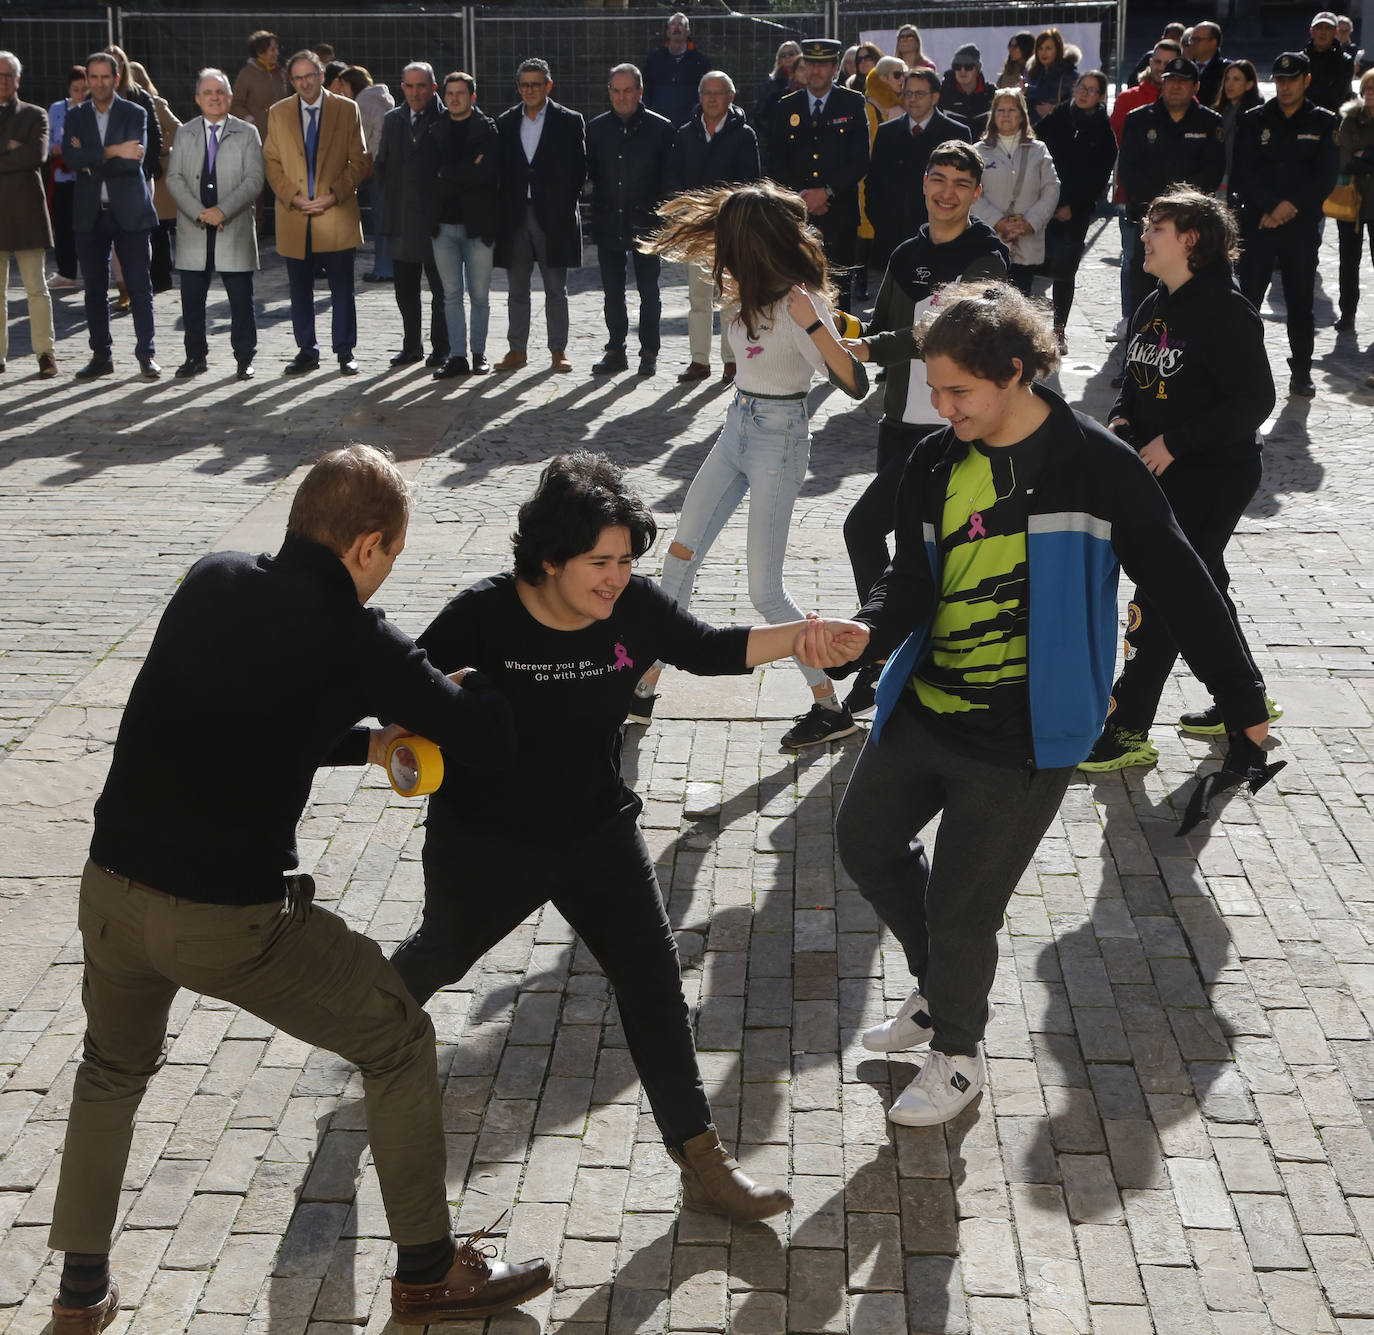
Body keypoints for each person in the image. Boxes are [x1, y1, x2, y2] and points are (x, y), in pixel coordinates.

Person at [43, 443, 554, 1334]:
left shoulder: (212, 578)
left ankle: (80, 1291)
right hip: (229, 920)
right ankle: (430, 1272)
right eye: (392, 553)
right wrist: (482, 680)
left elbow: (246, 709)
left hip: (112, 891)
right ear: (365, 545)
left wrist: (368, 744)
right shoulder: (356, 635)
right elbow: (489, 741)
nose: (389, 570)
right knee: (396, 1038)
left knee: (110, 1070)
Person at [832, 282, 1271, 1127]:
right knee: (864, 840)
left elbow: (1182, 578)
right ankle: (941, 987)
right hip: (925, 706)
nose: (941, 406)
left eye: (959, 391)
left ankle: (957, 1055)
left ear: (1018, 373)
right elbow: (912, 580)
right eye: (934, 388)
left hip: (1028, 731)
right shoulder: (933, 461)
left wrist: (1242, 697)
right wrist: (864, 630)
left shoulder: (1097, 464)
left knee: (965, 905)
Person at [391, 452, 867, 1221]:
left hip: (595, 831)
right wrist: (433, 717)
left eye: (624, 560)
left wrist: (805, 638)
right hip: (489, 840)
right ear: (549, 559)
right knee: (437, 955)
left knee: (652, 983)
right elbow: (401, 695)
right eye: (597, 562)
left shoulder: (636, 609)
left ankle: (703, 1164)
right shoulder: (482, 614)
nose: (615, 578)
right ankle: (361, 1021)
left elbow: (711, 648)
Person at [626, 182, 869, 748]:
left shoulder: (800, 302)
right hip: (736, 425)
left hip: (780, 439)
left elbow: (854, 384)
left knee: (766, 593)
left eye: (732, 239)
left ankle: (829, 707)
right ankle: (640, 691)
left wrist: (819, 325)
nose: (723, 253)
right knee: (678, 560)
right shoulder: (753, 292)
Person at [1080, 190, 1281, 768]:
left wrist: (1175, 442)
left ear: (1191, 239)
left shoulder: (1224, 308)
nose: (1144, 235)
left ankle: (1127, 725)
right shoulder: (1153, 305)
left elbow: (1255, 400)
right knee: (1203, 584)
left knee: (1166, 592)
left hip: (1216, 475)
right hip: (1159, 475)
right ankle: (1243, 698)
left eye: (1156, 227)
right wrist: (1122, 423)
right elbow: (1132, 384)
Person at [839, 141, 1009, 712]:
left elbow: (943, 335)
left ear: (977, 193)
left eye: (961, 184)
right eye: (939, 179)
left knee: (922, 549)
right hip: (900, 426)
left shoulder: (988, 256)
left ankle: (894, 658)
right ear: (924, 183)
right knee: (870, 533)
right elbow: (882, 325)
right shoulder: (906, 252)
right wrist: (836, 328)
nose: (947, 192)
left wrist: (870, 344)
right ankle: (889, 652)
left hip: (953, 431)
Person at [1232, 51, 1340, 396]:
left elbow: (1324, 176)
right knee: (1247, 301)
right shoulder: (1254, 119)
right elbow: (1243, 173)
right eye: (1279, 80)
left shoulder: (1323, 121)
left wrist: (1289, 207)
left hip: (1299, 226)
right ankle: (1241, 367)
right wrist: (1270, 207)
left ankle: (1302, 370)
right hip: (1259, 224)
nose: (1285, 86)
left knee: (1299, 303)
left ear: (1306, 81)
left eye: (1292, 80)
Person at [263, 49, 370, 376]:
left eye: (310, 76)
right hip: (295, 214)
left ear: (321, 76)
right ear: (290, 81)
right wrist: (293, 197)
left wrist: (332, 195)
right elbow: (271, 162)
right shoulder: (278, 112)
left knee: (342, 289)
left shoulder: (346, 109)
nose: (305, 83)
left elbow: (360, 160)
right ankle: (306, 350)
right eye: (297, 78)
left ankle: (344, 352)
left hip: (335, 212)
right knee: (299, 290)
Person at [63, 50, 159, 381]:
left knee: (139, 285)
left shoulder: (134, 112)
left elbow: (132, 162)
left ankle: (146, 354)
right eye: (94, 77)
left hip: (129, 212)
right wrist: (112, 150)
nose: (100, 83)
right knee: (94, 289)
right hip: (90, 214)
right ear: (87, 79)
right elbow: (71, 161)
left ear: (116, 79)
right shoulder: (75, 116)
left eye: (106, 77)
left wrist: (93, 157)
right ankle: (101, 355)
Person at [165, 68, 263, 380]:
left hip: (232, 227)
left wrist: (222, 211)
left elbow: (254, 179)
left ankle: (244, 357)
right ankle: (195, 356)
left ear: (230, 97)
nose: (214, 98)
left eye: (219, 92)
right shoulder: (185, 132)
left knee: (240, 301)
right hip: (195, 229)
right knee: (192, 301)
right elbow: (175, 179)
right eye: (207, 93)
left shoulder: (248, 133)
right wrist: (200, 212)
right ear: (197, 99)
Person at [664, 69, 760, 383]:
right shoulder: (685, 133)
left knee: (731, 298)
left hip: (731, 227)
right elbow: (673, 176)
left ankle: (731, 361)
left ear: (731, 98)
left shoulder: (744, 134)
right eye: (707, 92)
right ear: (700, 96)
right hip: (696, 228)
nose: (712, 98)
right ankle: (699, 362)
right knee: (698, 298)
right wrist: (685, 210)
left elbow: (749, 182)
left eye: (719, 93)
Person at [492, 58, 585, 373]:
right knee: (517, 289)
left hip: (553, 217)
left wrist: (563, 201)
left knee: (555, 290)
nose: (529, 90)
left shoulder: (569, 121)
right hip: (516, 216)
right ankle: (516, 350)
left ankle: (558, 350)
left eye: (536, 84)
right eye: (524, 84)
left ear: (549, 85)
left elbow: (578, 168)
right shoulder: (505, 122)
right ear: (518, 87)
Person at [1117, 57, 1224, 327]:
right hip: (1148, 222)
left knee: (1188, 295)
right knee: (1142, 297)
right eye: (1170, 81)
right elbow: (1128, 169)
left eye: (1182, 82)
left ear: (1195, 86)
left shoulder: (1210, 122)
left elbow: (1212, 171)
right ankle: (1135, 361)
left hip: (1190, 226)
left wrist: (1177, 206)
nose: (1175, 87)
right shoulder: (1139, 119)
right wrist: (1158, 206)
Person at [766, 37, 870, 312]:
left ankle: (840, 350)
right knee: (797, 288)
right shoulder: (786, 106)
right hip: (796, 214)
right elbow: (775, 161)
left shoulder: (852, 103)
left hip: (840, 214)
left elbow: (860, 160)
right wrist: (802, 195)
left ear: (835, 67)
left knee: (839, 290)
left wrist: (826, 191)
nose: (816, 71)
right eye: (811, 64)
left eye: (823, 65)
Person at [586, 63, 673, 377]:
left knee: (649, 291)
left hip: (647, 224)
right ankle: (615, 349)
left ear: (640, 92)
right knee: (612, 291)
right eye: (615, 90)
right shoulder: (596, 129)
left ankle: (649, 350)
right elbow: (591, 174)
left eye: (627, 91)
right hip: (609, 221)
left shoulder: (661, 129)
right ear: (609, 92)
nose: (621, 97)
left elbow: (668, 179)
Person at [375, 62, 449, 369]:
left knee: (441, 292)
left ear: (433, 88)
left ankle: (442, 347)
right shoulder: (393, 119)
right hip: (402, 218)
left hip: (437, 221)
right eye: (409, 86)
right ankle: (411, 345)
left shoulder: (447, 118)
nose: (415, 92)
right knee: (405, 289)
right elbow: (382, 164)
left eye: (421, 86)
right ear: (401, 87)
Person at [1038, 71, 1117, 347]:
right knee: (1027, 264)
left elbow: (1099, 178)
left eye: (1092, 90)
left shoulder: (1103, 132)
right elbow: (1036, 150)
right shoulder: (1058, 117)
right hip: (1041, 204)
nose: (1084, 93)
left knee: (1064, 270)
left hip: (1075, 211)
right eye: (1082, 87)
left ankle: (1059, 329)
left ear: (1101, 97)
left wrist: (1073, 205)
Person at [866, 69, 972, 268]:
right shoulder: (887, 132)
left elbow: (964, 186)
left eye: (919, 94)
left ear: (935, 97)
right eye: (908, 93)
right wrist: (880, 221)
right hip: (891, 237)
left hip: (937, 236)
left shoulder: (956, 133)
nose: (912, 99)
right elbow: (873, 183)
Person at [430, 70, 498, 378]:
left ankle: (479, 354)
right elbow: (430, 177)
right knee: (451, 294)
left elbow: (487, 175)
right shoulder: (435, 130)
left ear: (472, 96)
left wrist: (449, 174)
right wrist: (465, 172)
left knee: (480, 295)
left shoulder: (487, 130)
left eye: (460, 93)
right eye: (450, 93)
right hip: (442, 225)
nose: (454, 98)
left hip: (479, 225)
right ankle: (457, 355)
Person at [0, 50, 57, 378]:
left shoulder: (36, 115)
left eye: (8, 75)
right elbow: (23, 156)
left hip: (27, 214)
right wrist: (10, 148)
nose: (3, 81)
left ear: (18, 80)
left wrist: (17, 149)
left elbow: (37, 154)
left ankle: (45, 353)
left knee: (36, 288)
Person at [970, 88, 1059, 293]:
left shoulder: (1039, 150)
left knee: (1021, 303)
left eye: (1012, 109)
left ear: (1022, 115)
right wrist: (998, 223)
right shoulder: (978, 151)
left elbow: (1051, 189)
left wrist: (1029, 224)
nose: (1006, 115)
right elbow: (972, 192)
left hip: (1026, 242)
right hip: (989, 241)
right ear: (993, 115)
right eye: (1001, 110)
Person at [130, 62, 180, 293]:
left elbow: (177, 129)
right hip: (133, 172)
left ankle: (161, 277)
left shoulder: (156, 104)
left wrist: (158, 148)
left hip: (156, 173)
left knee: (158, 228)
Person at [1335, 68, 1374, 330]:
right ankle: (1347, 311)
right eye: (1368, 89)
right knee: (1349, 259)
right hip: (1351, 198)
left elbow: (1357, 157)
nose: (1371, 94)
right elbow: (1343, 159)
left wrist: (1366, 155)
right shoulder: (1350, 118)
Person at [350, 66, 395, 282]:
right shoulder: (381, 98)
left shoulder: (362, 103)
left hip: (376, 166)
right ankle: (388, 266)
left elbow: (362, 140)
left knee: (380, 220)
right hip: (389, 165)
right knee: (386, 216)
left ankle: (384, 269)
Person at [46, 65, 87, 292]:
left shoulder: (92, 110)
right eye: (75, 89)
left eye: (84, 89)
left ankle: (90, 272)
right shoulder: (56, 109)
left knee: (86, 226)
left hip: (86, 177)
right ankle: (66, 272)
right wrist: (63, 149)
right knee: (62, 226)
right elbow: (51, 144)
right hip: (63, 175)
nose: (80, 94)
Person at [642, 11, 709, 128]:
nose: (677, 27)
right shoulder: (654, 59)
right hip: (658, 122)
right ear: (668, 32)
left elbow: (704, 91)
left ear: (688, 32)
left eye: (681, 24)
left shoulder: (700, 60)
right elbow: (646, 89)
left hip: (690, 124)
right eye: (673, 24)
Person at [230, 29, 287, 147]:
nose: (277, 53)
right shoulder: (246, 74)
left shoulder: (281, 73)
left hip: (282, 138)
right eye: (272, 49)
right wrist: (250, 120)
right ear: (260, 52)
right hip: (258, 140)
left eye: (277, 48)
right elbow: (235, 104)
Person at [1213, 58, 1261, 198]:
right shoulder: (1219, 111)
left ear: (1249, 84)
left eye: (1236, 79)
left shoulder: (1254, 115)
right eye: (1227, 79)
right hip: (1218, 175)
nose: (1230, 84)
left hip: (1241, 178)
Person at [753, 40, 802, 153]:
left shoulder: (808, 81)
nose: (787, 57)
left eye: (791, 53)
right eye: (783, 55)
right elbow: (759, 115)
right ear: (779, 60)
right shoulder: (771, 85)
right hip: (780, 143)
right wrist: (774, 133)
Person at [1023, 28, 1079, 124]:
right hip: (1032, 129)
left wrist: (1054, 109)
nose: (1043, 53)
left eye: (1048, 48)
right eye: (1040, 48)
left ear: (1058, 49)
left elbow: (1077, 105)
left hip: (1057, 129)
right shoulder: (1032, 74)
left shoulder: (1069, 75)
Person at [1307, 10, 1356, 111]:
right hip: (1303, 118)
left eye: (1328, 28)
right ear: (1312, 31)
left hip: (1333, 119)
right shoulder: (1301, 60)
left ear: (1335, 32)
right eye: (1319, 27)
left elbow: (1336, 95)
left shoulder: (1345, 61)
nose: (1323, 32)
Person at [939, 43, 992, 127]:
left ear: (977, 69)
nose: (962, 70)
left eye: (968, 66)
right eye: (957, 66)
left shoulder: (992, 94)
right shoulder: (942, 95)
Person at [1190, 21, 1229, 106]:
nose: (1193, 43)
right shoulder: (1186, 67)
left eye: (1198, 40)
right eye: (1192, 39)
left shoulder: (1227, 70)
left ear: (1213, 42)